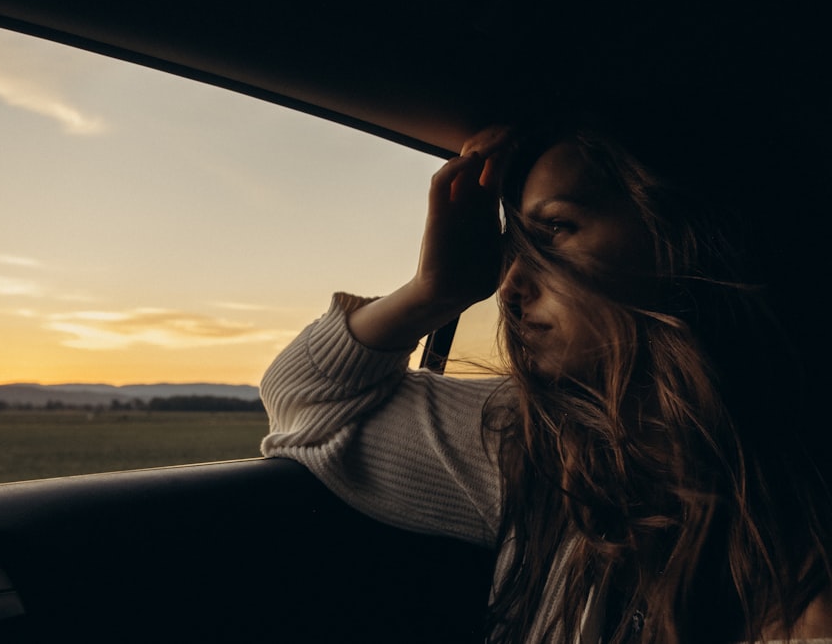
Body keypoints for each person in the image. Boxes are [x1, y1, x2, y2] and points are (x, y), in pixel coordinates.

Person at [260, 112, 832, 643]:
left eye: (556, 228)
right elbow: (307, 407)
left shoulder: (803, 501)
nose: (508, 287)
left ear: (682, 232)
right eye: (515, 250)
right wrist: (436, 291)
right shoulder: (540, 444)